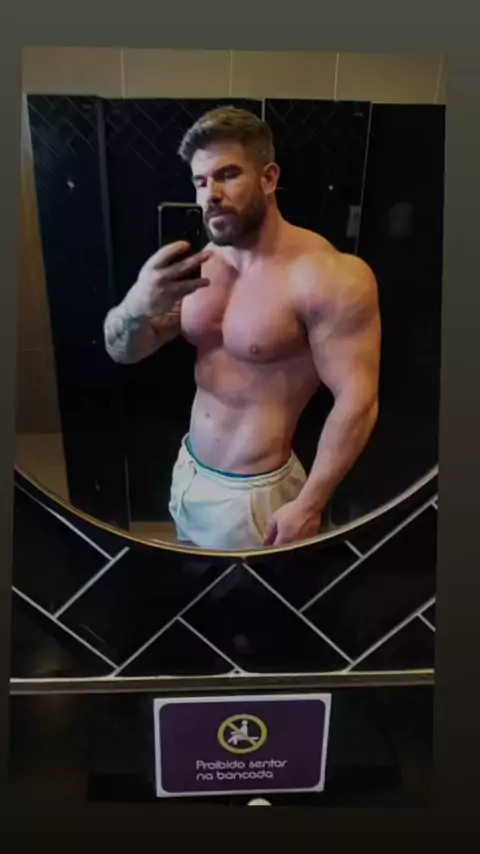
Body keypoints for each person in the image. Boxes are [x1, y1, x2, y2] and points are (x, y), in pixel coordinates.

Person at [104, 107, 381, 551]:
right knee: (193, 586)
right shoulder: (200, 266)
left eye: (227, 175)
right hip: (189, 470)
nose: (210, 194)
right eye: (200, 181)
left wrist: (309, 504)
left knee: (255, 598)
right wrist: (135, 307)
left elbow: (358, 400)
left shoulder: (329, 276)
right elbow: (123, 350)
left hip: (256, 495)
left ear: (269, 178)